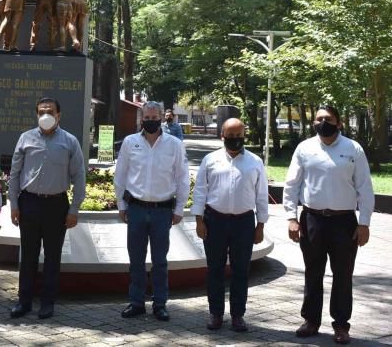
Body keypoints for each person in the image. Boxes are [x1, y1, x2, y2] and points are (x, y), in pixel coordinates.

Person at [283, 105, 374, 345]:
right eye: (319, 119)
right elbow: (291, 185)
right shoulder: (305, 148)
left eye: (329, 119)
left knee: (343, 274)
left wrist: (364, 223)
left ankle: (341, 325)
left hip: (344, 222)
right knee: (313, 272)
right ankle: (310, 321)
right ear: (314, 122)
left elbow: (364, 187)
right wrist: (291, 217)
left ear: (339, 123)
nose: (323, 122)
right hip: (312, 219)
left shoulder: (353, 149)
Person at [8, 97, 86, 319]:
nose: (45, 115)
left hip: (56, 205)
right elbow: (14, 174)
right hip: (29, 202)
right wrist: (14, 204)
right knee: (28, 255)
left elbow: (79, 176)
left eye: (50, 111)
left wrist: (74, 209)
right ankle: (24, 302)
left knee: (52, 256)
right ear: (36, 114)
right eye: (41, 111)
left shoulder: (70, 142)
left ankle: (47, 303)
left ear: (59, 115)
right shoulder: (26, 138)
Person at [113, 100, 190, 321]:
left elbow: (183, 178)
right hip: (136, 209)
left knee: (160, 261)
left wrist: (179, 209)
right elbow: (120, 176)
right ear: (141, 119)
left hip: (162, 211)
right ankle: (136, 302)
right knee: (136, 259)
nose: (151, 122)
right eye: (147, 118)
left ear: (161, 119)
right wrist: (121, 204)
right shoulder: (129, 142)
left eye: (155, 118)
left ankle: (160, 304)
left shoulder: (174, 144)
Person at [192, 118, 268, 332]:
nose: (235, 140)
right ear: (222, 136)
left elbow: (262, 195)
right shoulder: (210, 160)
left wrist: (260, 225)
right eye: (230, 136)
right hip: (214, 221)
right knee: (214, 269)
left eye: (239, 135)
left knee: (241, 271)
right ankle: (216, 314)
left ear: (244, 135)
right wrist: (199, 221)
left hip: (244, 222)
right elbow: (200, 191)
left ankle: (237, 315)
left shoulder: (255, 162)